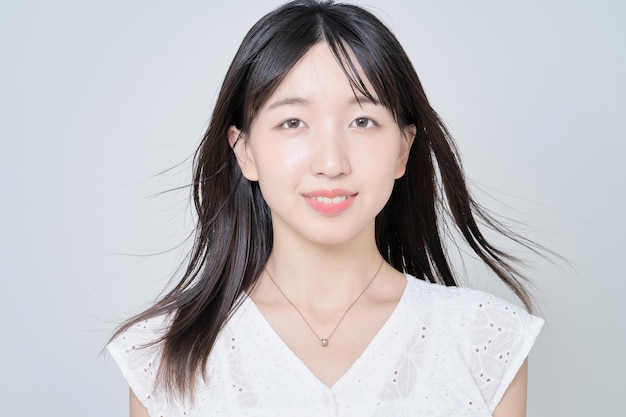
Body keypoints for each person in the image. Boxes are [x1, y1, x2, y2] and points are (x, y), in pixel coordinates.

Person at [107, 1, 544, 416]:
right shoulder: (164, 354)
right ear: (245, 152)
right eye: (293, 123)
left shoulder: (486, 340)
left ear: (403, 149)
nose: (332, 163)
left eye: (362, 121)